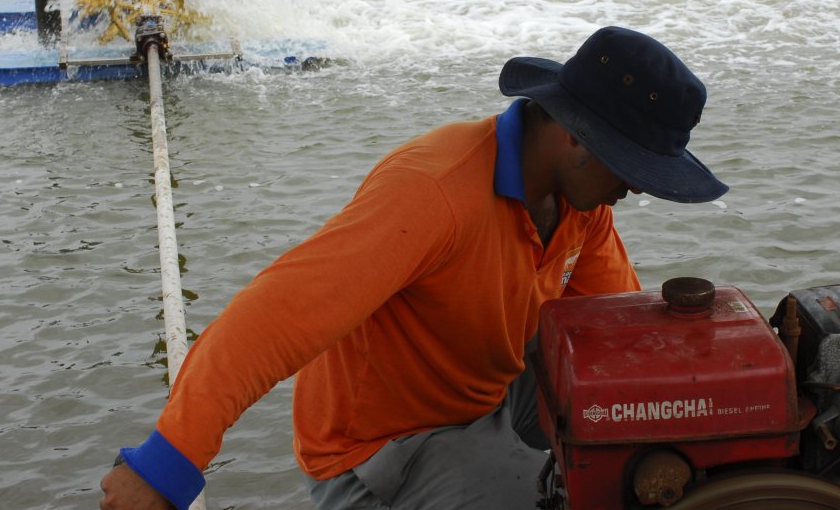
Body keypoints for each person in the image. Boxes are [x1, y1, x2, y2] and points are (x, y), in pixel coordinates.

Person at [99, 26, 728, 509]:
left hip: (488, 392)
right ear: (576, 136)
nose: (639, 190)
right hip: (382, 446)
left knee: (639, 426)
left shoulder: (579, 204)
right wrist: (166, 465)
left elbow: (613, 332)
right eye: (633, 167)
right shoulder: (434, 192)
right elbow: (271, 317)